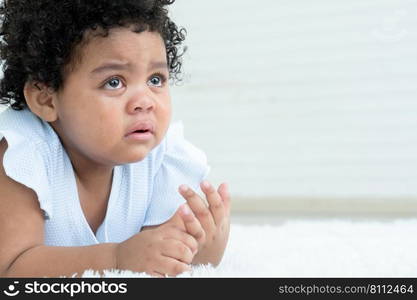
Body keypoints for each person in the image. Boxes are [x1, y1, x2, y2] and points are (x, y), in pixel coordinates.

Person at [0, 0, 231, 278]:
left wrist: (203, 245)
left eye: (156, 80)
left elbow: (156, 255)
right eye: (114, 82)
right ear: (46, 98)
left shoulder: (162, 158)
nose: (145, 101)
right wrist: (116, 258)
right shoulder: (23, 155)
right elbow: (11, 269)